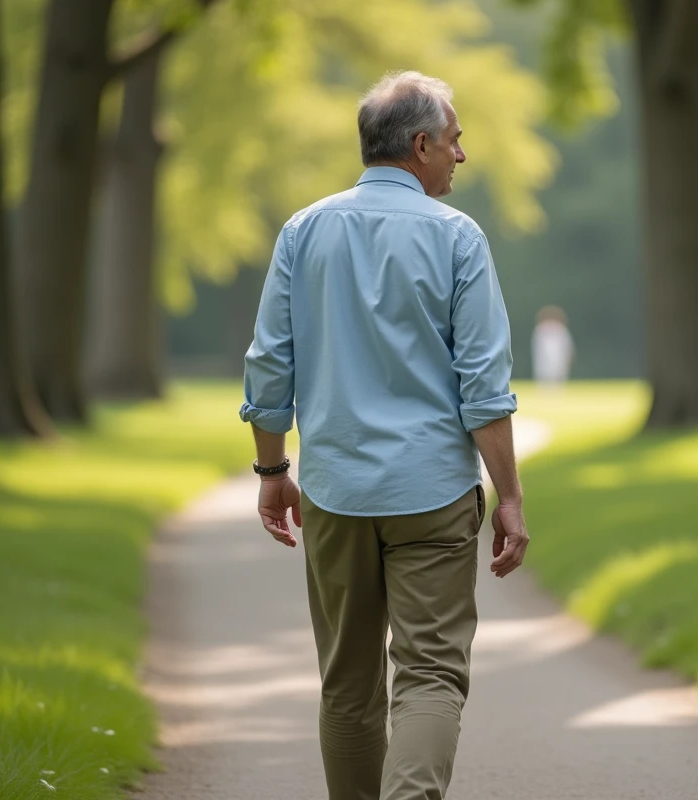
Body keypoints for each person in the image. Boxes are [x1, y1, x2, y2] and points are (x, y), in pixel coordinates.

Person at [239, 71, 530, 800]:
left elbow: (270, 364)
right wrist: (511, 495)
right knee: (430, 674)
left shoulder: (303, 231)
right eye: (456, 140)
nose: (462, 155)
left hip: (336, 495)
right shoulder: (458, 238)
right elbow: (484, 389)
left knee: (347, 686)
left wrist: (272, 471)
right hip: (432, 494)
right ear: (422, 143)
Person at [531, 305, 575, 388]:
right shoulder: (540, 330)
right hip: (544, 361)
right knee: (544, 381)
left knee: (558, 380)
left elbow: (567, 347)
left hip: (559, 360)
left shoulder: (561, 330)